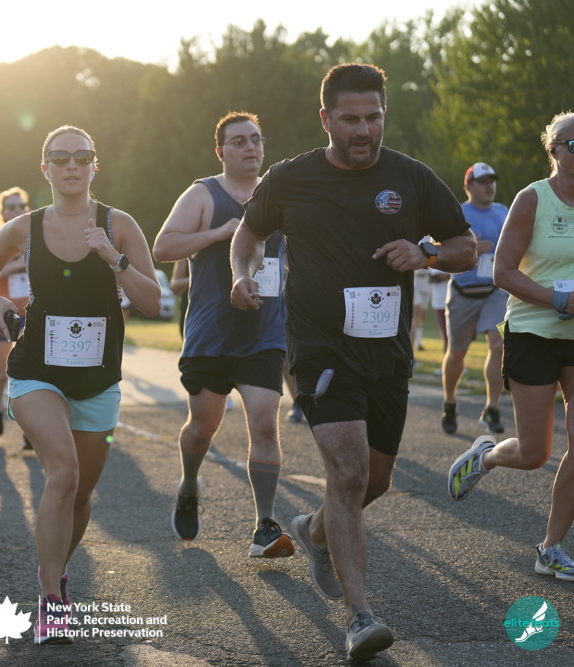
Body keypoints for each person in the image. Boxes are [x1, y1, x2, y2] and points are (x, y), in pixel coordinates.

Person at [230, 65, 476, 662]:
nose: (363, 130)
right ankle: (360, 616)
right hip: (319, 349)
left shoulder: (411, 177)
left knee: (374, 480)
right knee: (347, 470)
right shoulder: (290, 178)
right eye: (350, 119)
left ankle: (315, 532)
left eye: (373, 117)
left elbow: (466, 248)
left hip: (386, 353)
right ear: (326, 119)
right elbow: (248, 235)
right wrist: (242, 274)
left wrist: (425, 253)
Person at [0, 125, 160, 645]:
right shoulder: (27, 227)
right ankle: (52, 601)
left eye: (82, 156)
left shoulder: (119, 225)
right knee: (63, 474)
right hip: (36, 369)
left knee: (81, 495)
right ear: (46, 169)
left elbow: (152, 302)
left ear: (95, 165)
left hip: (98, 379)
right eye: (60, 158)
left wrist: (113, 258)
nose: (72, 165)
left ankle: (54, 571)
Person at [153, 111, 294, 558]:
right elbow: (163, 247)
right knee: (202, 429)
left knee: (265, 423)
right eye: (238, 141)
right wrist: (219, 233)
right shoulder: (203, 194)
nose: (250, 147)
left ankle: (264, 525)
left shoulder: (278, 194)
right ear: (221, 151)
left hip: (264, 333)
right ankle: (189, 486)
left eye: (256, 139)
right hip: (211, 334)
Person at [449, 111, 574, 581]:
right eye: (573, 144)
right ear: (554, 150)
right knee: (534, 453)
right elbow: (502, 272)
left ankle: (550, 547)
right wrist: (558, 299)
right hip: (533, 333)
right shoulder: (532, 199)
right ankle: (484, 456)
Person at [440, 163, 510, 435]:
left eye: (492, 181)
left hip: (495, 291)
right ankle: (449, 402)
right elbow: (438, 250)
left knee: (498, 344)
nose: (489, 186)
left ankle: (491, 408)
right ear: (468, 186)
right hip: (462, 292)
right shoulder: (457, 213)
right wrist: (472, 249)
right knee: (457, 353)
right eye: (483, 181)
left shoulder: (503, 211)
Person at [0, 188, 32, 447]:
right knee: (3, 374)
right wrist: (17, 265)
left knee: (29, 376)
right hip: (3, 315)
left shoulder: (37, 234)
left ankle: (29, 429)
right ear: (1, 212)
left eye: (20, 206)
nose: (16, 211)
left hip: (32, 314)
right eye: (11, 207)